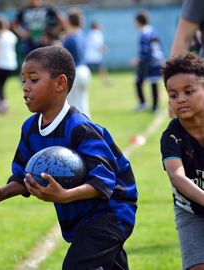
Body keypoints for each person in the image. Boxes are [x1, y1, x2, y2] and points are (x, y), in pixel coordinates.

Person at [0, 45, 138, 270]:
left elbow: (104, 180)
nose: (25, 88)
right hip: (79, 213)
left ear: (60, 83)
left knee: (76, 266)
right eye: (23, 80)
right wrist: (1, 193)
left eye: (33, 80)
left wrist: (65, 195)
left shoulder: (80, 127)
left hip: (111, 211)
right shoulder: (30, 128)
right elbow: (24, 174)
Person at [160, 52, 204, 270]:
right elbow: (177, 177)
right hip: (190, 209)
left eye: (189, 91)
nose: (181, 99)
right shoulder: (171, 136)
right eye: (173, 95)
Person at [131, 11, 164, 113]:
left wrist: (138, 60)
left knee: (138, 81)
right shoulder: (153, 30)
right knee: (153, 82)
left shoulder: (144, 33)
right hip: (157, 59)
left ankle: (143, 104)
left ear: (139, 21)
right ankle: (155, 107)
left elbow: (145, 49)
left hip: (149, 61)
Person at [62, 9, 91, 117]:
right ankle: (88, 128)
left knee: (73, 105)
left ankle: (80, 130)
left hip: (75, 71)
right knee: (83, 103)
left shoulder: (70, 38)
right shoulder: (82, 34)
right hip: (85, 70)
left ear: (69, 21)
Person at [0, 16, 18, 114]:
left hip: (0, 64)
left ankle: (2, 105)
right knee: (1, 86)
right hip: (11, 64)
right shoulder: (11, 36)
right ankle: (4, 104)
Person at [84, 22, 111, 87]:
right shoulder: (97, 33)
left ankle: (85, 82)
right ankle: (106, 82)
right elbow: (98, 45)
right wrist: (104, 49)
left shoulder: (89, 33)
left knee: (88, 70)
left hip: (88, 56)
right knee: (102, 69)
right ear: (96, 27)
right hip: (95, 56)